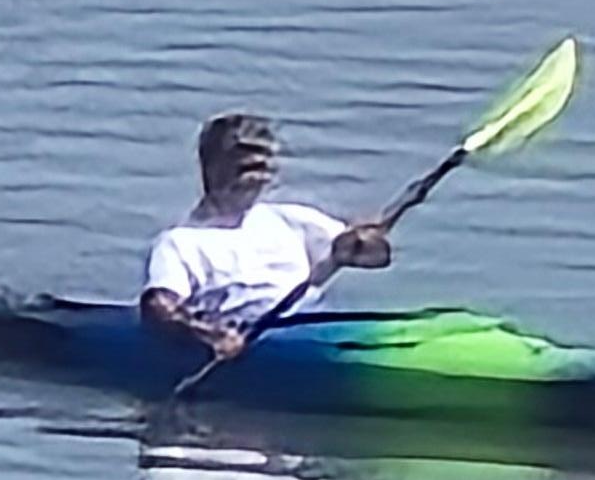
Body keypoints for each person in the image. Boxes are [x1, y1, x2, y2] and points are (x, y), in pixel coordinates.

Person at [140, 113, 401, 361]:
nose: (257, 176)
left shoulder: (294, 221)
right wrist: (209, 335)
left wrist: (362, 244)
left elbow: (378, 258)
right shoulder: (180, 243)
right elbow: (158, 308)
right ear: (212, 167)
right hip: (251, 344)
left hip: (316, 332)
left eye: (263, 166)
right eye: (246, 166)